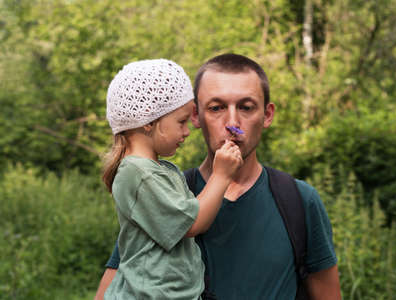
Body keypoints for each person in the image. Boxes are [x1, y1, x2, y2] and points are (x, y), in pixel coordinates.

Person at [95, 54, 341, 300]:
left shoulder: (299, 201)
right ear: (195, 116)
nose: (232, 122)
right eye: (216, 108)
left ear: (267, 115)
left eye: (246, 107)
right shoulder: (163, 192)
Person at [101, 59, 243, 299]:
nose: (187, 131)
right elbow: (192, 223)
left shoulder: (160, 170)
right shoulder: (137, 174)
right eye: (181, 121)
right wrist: (222, 175)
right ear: (148, 121)